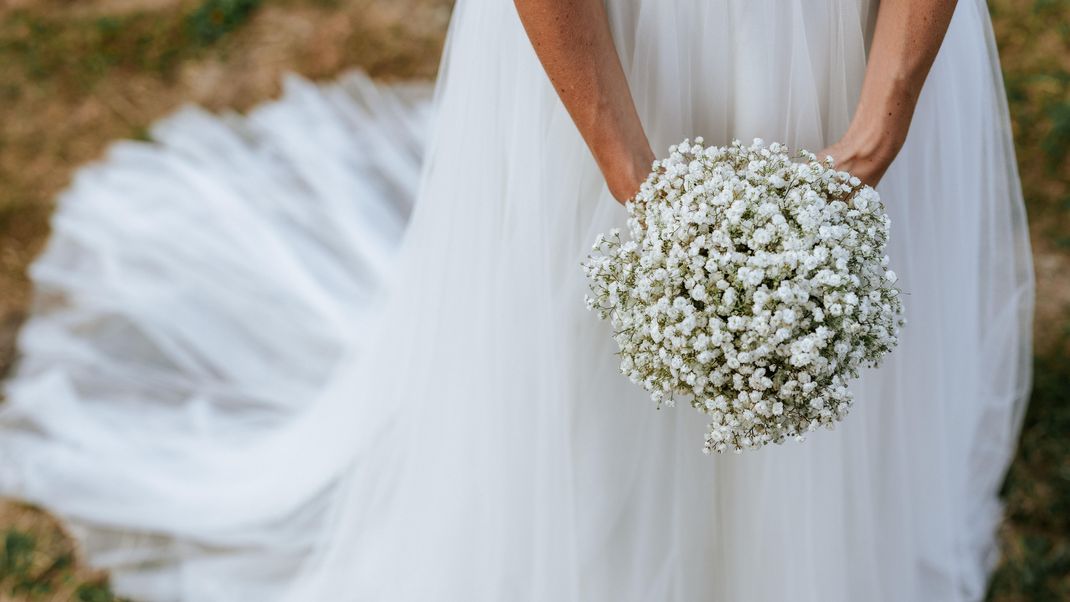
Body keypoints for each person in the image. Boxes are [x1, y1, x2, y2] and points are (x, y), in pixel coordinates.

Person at [0, 0, 1034, 600]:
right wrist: (641, 185)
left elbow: (876, 116)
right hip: (621, 45)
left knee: (824, 358)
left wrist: (875, 122)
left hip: (837, 34)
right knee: (576, 363)